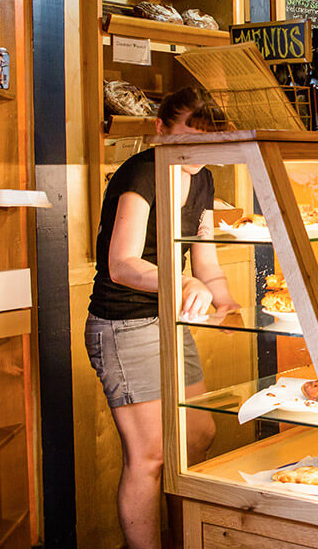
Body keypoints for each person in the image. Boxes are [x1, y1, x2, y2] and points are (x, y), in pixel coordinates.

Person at [85, 87, 238, 549]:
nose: (199, 148)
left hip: (167, 320)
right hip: (124, 324)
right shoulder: (144, 172)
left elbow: (205, 262)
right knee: (149, 457)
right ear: (161, 129)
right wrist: (182, 283)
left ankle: (184, 540)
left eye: (210, 137)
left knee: (196, 436)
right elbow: (123, 263)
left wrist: (225, 301)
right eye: (191, 134)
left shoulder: (203, 178)